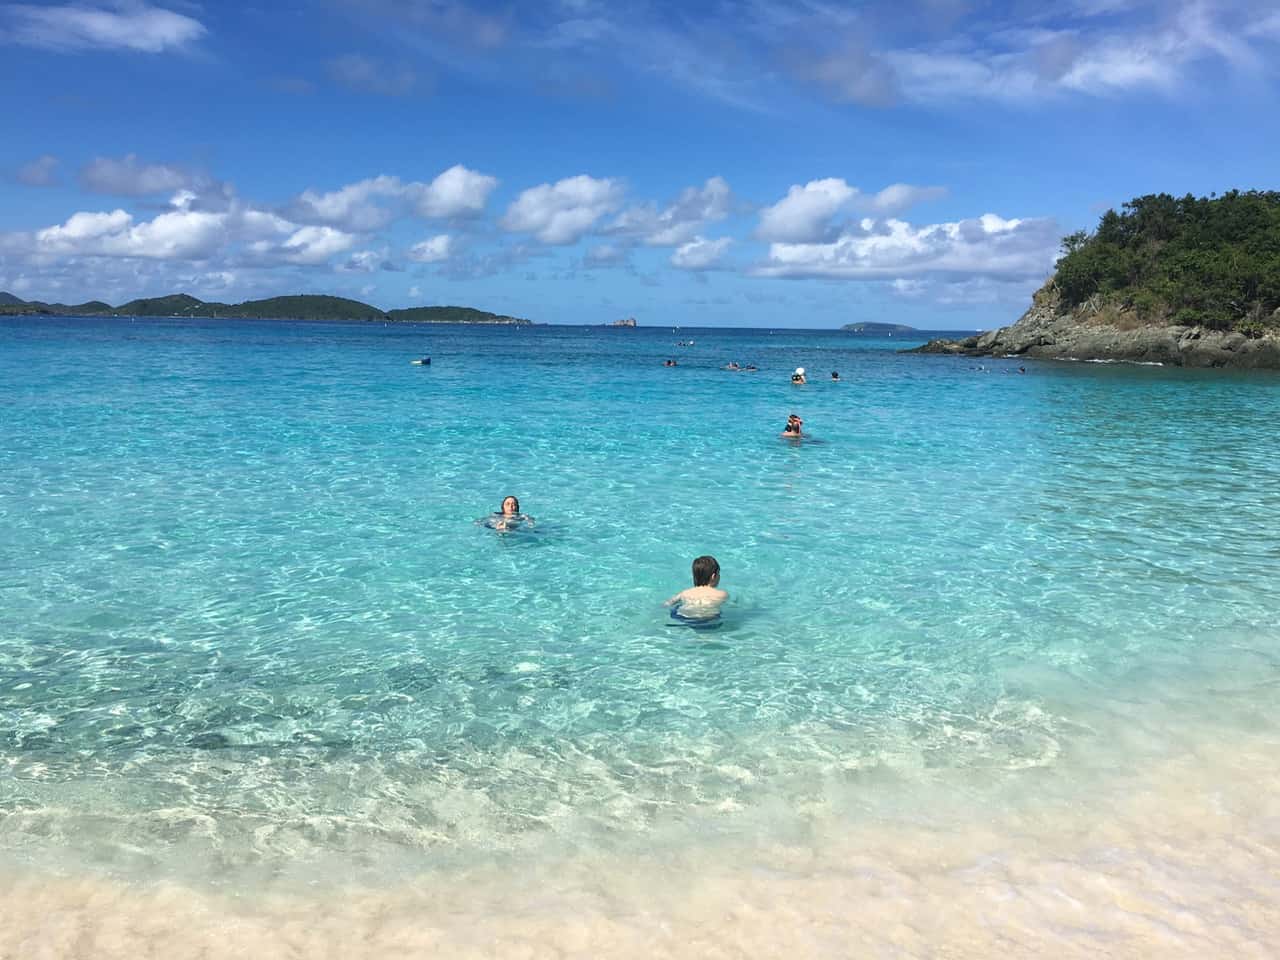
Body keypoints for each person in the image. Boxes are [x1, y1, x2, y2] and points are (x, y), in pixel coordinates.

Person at [665, 555, 728, 623]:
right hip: (708, 620)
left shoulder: (685, 593)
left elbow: (667, 604)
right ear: (713, 576)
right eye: (718, 574)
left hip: (683, 617)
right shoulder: (722, 594)